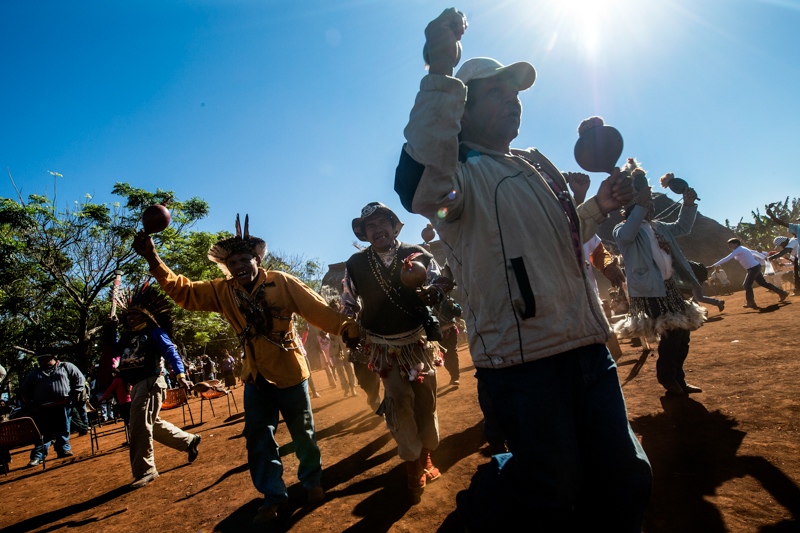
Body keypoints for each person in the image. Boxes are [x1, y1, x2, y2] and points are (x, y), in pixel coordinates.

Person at [393, 9, 651, 530]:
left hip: (585, 344)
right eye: (496, 93)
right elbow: (420, 185)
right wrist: (440, 76)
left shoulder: (535, 163)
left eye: (516, 95)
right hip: (520, 360)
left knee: (627, 476)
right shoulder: (458, 180)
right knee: (549, 483)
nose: (512, 101)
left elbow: (559, 235)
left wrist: (598, 207)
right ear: (462, 110)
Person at [132, 215, 358, 524]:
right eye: (233, 261)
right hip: (255, 377)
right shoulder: (222, 291)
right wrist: (152, 257)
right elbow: (182, 291)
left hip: (291, 371)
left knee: (302, 433)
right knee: (258, 437)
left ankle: (312, 482)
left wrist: (346, 327)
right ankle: (274, 495)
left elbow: (315, 308)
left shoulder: (281, 281)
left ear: (257, 259)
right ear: (227, 266)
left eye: (244, 259)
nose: (239, 265)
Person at [342, 202, 447, 494]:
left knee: (427, 400)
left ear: (394, 224)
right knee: (398, 404)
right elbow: (348, 301)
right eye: (370, 227)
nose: (377, 230)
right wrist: (347, 324)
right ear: (364, 234)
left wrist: (434, 292)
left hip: (419, 343)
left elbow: (440, 283)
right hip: (383, 348)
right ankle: (413, 465)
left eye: (381, 223)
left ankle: (426, 456)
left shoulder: (419, 254)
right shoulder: (355, 263)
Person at [612, 166, 707, 394]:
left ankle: (678, 379)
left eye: (651, 206)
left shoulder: (659, 227)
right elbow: (627, 234)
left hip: (669, 287)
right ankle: (667, 379)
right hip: (649, 290)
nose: (651, 208)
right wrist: (642, 204)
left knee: (683, 334)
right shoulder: (622, 230)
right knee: (672, 333)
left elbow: (683, 227)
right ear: (633, 209)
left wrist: (689, 204)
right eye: (647, 205)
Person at [107, 282, 201, 489]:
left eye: (135, 314)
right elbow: (112, 353)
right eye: (128, 315)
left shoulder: (155, 332)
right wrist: (110, 331)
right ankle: (188, 441)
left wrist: (181, 375)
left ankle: (146, 470)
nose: (130, 317)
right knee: (150, 422)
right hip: (137, 384)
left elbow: (171, 353)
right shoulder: (125, 337)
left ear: (146, 316)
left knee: (139, 425)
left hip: (152, 381)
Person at [19, 350, 85, 466]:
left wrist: (75, 393)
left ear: (51, 358)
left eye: (42, 359)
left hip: (64, 404)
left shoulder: (66, 366)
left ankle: (63, 449)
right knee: (43, 434)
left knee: (64, 429)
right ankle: (38, 456)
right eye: (39, 360)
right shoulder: (35, 373)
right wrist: (29, 402)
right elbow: (24, 389)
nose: (40, 362)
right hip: (43, 408)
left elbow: (79, 379)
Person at [708, 238, 788, 308]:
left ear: (736, 244)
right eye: (728, 245)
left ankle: (751, 302)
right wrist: (764, 258)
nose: (729, 247)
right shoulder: (742, 248)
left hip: (753, 268)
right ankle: (782, 293)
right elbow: (754, 252)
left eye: (730, 245)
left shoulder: (739, 249)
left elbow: (727, 258)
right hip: (754, 267)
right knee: (763, 283)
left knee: (746, 285)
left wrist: (713, 266)